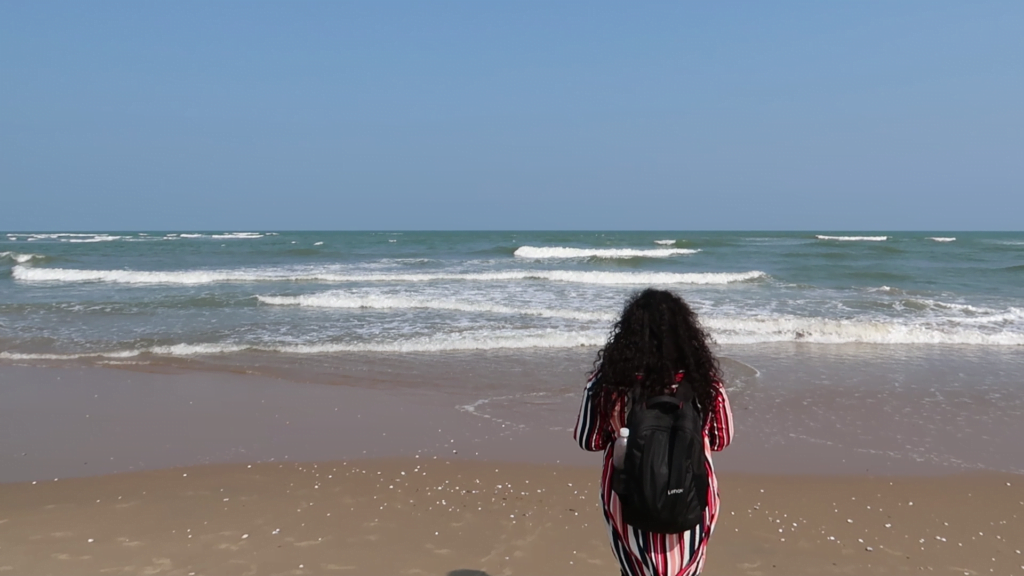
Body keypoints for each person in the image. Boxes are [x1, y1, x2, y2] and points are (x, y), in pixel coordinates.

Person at [573, 288, 733, 576]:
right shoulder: (705, 382)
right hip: (692, 491)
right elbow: (722, 440)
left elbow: (589, 440)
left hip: (628, 491)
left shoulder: (606, 382)